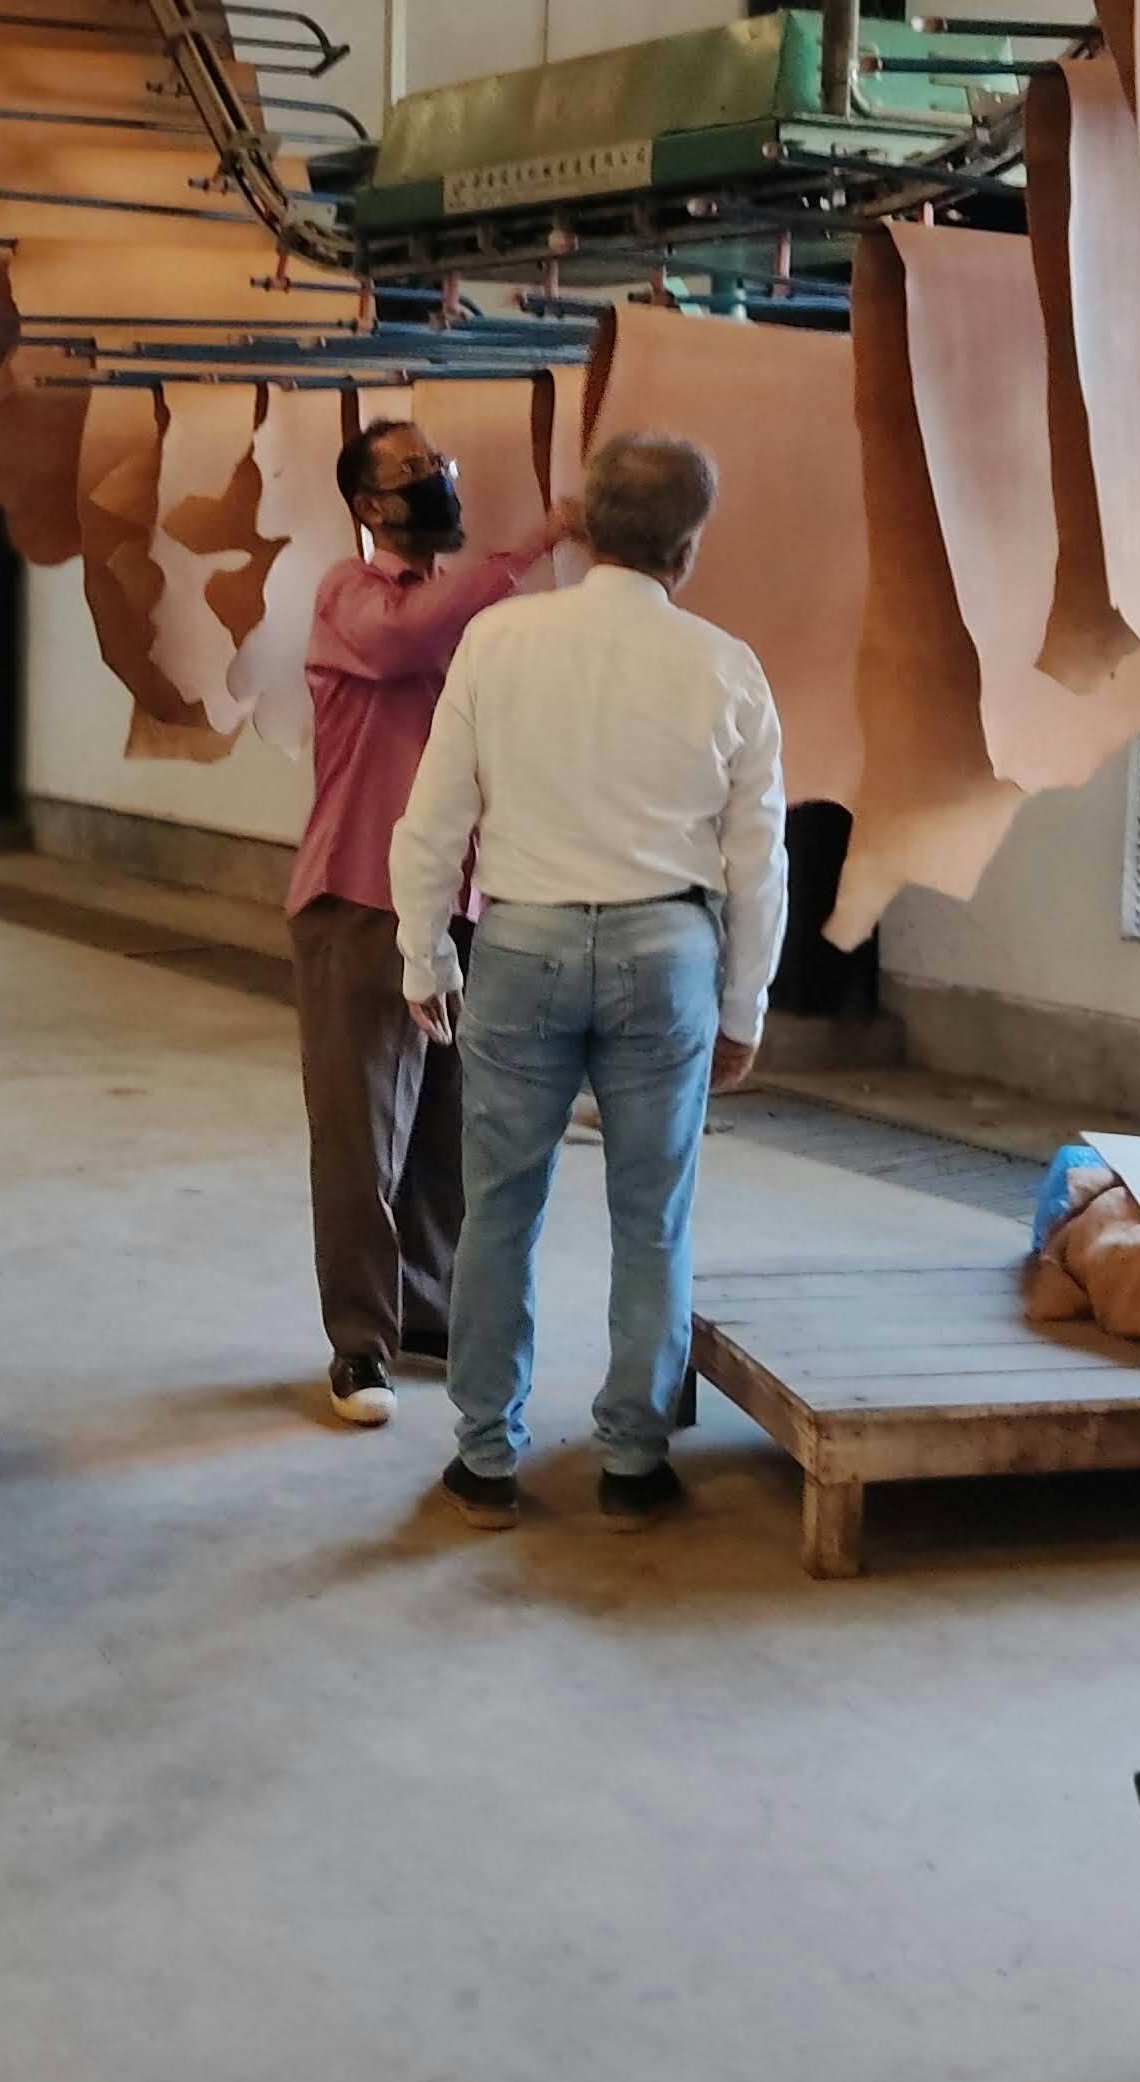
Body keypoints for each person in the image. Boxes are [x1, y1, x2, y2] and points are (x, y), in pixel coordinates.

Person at [387, 430, 787, 1529]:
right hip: (669, 959)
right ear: (687, 548)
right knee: (653, 1216)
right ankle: (632, 1463)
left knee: (498, 1210)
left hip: (522, 948)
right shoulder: (727, 667)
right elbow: (760, 862)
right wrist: (743, 1007)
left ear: (585, 525)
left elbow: (433, 820)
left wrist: (425, 954)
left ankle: (484, 1459)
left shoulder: (499, 641)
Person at [286, 414, 577, 1428]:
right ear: (370, 504)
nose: (436, 480)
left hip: (459, 902)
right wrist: (538, 540)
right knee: (361, 1132)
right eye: (413, 469)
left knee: (446, 1127)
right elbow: (406, 635)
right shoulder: (352, 596)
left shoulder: (466, 619)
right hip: (361, 898)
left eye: (438, 464)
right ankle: (359, 1344)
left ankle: (427, 1310)